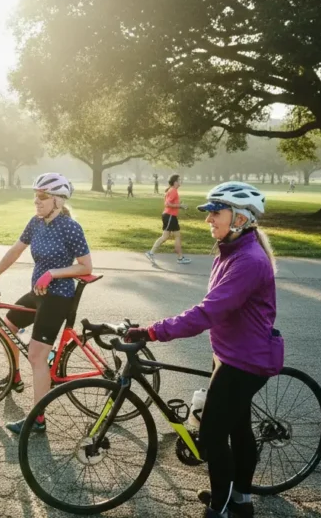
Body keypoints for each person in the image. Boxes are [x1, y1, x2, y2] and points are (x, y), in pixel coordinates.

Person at [125, 181, 283, 518]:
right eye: (209, 212)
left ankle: (220, 509)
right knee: (237, 428)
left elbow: (207, 312)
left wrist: (152, 331)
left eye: (216, 212)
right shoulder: (232, 251)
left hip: (245, 361)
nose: (208, 219)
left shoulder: (249, 260)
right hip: (232, 354)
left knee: (212, 433)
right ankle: (240, 501)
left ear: (240, 219)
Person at [0, 173, 93, 434]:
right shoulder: (36, 222)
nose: (36, 201)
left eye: (42, 196)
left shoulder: (71, 227)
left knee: (37, 356)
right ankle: (15, 377)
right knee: (8, 326)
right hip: (38, 294)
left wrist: (54, 273)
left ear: (58, 201)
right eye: (35, 196)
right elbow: (15, 250)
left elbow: (86, 266)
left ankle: (38, 419)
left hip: (58, 297)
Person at [146, 174, 191, 265]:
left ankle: (151, 253)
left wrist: (181, 206)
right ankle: (180, 257)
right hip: (170, 216)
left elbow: (171, 204)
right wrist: (180, 205)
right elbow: (167, 204)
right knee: (175, 236)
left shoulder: (172, 190)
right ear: (175, 182)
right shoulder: (173, 190)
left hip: (169, 215)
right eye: (179, 180)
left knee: (167, 236)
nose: (180, 182)